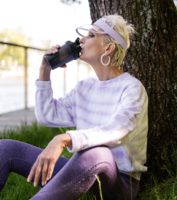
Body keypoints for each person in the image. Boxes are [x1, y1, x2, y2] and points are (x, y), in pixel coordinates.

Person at [0, 14, 148, 200]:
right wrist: (44, 71)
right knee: (5, 148)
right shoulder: (84, 88)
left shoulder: (132, 88)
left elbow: (117, 130)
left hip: (118, 184)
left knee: (96, 153)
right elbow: (48, 115)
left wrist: (64, 139)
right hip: (81, 173)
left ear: (108, 48)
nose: (81, 39)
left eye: (91, 35)